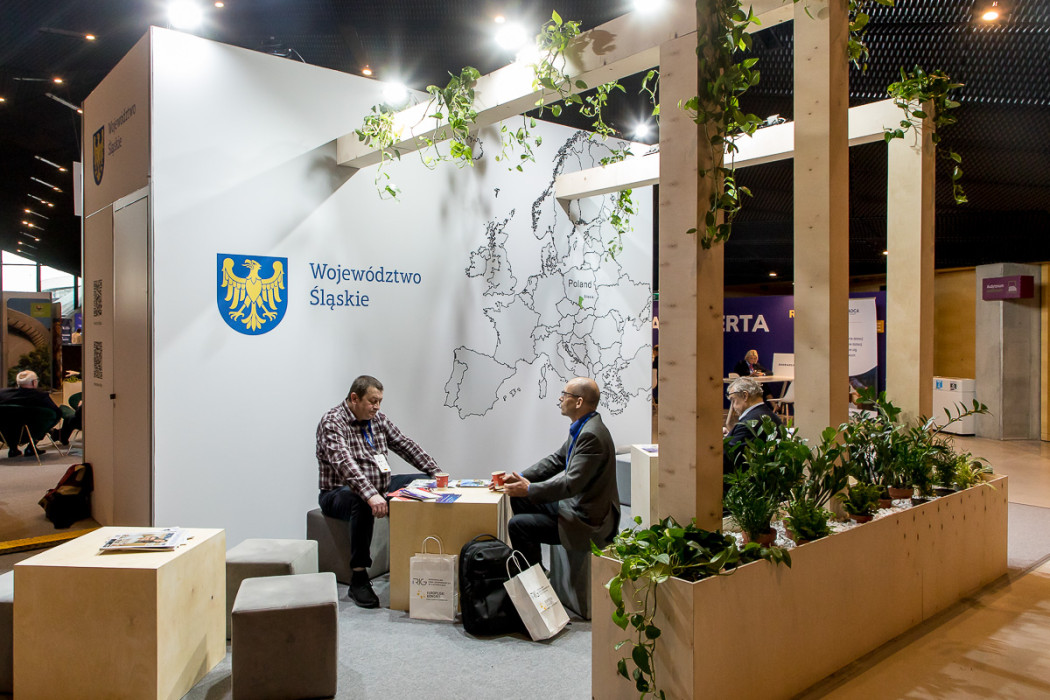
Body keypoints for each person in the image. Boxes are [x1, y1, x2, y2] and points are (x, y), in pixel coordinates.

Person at [316, 375, 441, 608]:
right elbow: (344, 462)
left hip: (380, 486)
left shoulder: (378, 420)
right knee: (361, 500)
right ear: (355, 398)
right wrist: (370, 494)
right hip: (338, 492)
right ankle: (358, 578)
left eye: (380, 402)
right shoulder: (332, 422)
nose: (377, 407)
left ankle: (414, 558)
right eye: (373, 401)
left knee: (423, 482)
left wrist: (436, 472)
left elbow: (405, 445)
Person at [498, 377, 620, 569]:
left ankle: (535, 580)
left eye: (565, 394)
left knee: (518, 525)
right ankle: (537, 568)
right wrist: (520, 478)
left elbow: (570, 485)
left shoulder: (591, 435)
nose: (560, 398)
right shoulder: (584, 426)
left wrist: (529, 489)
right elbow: (556, 460)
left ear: (579, 402)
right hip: (578, 506)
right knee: (520, 499)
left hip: (589, 519)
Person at [722, 376, 783, 483]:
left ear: (745, 395)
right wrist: (730, 436)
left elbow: (727, 459)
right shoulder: (770, 416)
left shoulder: (749, 423)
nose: (733, 407)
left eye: (733, 400)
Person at [0, 370, 62, 458]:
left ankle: (13, 448)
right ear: (34, 382)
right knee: (47, 419)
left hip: (5, 433)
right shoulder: (41, 396)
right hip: (33, 432)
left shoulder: (2, 394)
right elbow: (57, 413)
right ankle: (31, 447)